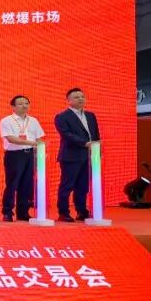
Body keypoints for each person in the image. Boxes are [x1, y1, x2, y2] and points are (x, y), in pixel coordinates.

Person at [55, 87, 101, 222]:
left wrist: (97, 151)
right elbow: (66, 134)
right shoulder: (62, 116)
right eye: (76, 97)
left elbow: (95, 135)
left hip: (89, 156)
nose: (80, 99)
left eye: (82, 96)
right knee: (67, 185)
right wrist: (85, 143)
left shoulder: (91, 115)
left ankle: (82, 211)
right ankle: (63, 212)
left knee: (83, 186)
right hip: (71, 156)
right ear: (68, 101)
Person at [0, 95, 45, 222]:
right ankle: (7, 212)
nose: (24, 106)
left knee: (27, 184)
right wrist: (32, 143)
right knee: (12, 184)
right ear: (13, 107)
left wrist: (40, 150)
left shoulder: (33, 120)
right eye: (20, 104)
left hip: (30, 154)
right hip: (15, 155)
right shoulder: (6, 121)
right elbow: (10, 138)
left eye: (26, 103)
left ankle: (23, 212)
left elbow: (39, 138)